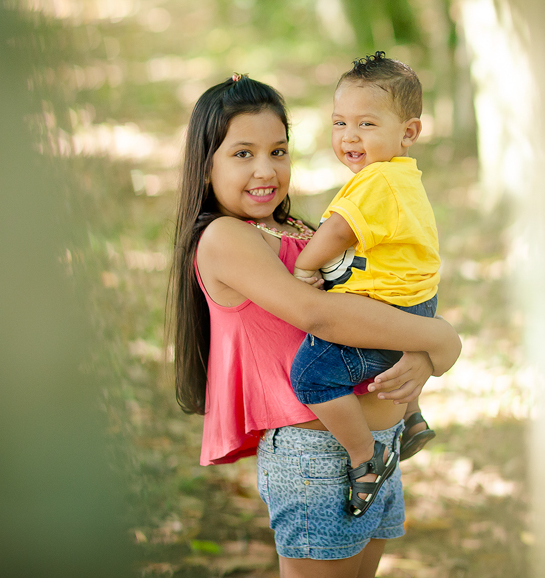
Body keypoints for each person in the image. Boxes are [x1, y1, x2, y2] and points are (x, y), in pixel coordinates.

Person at [168, 74, 461, 577]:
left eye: (278, 151)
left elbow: (374, 308)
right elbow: (318, 315)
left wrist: (411, 356)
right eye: (243, 154)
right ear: (206, 163)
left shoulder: (299, 230)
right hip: (317, 460)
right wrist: (440, 338)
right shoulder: (225, 238)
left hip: (378, 453)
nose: (266, 169)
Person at [289, 53, 441, 518]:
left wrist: (303, 268)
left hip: (387, 312)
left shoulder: (376, 181)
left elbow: (336, 231)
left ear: (408, 133)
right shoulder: (403, 179)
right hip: (415, 305)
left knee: (311, 375)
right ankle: (411, 415)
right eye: (340, 123)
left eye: (367, 124)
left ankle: (364, 459)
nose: (349, 137)